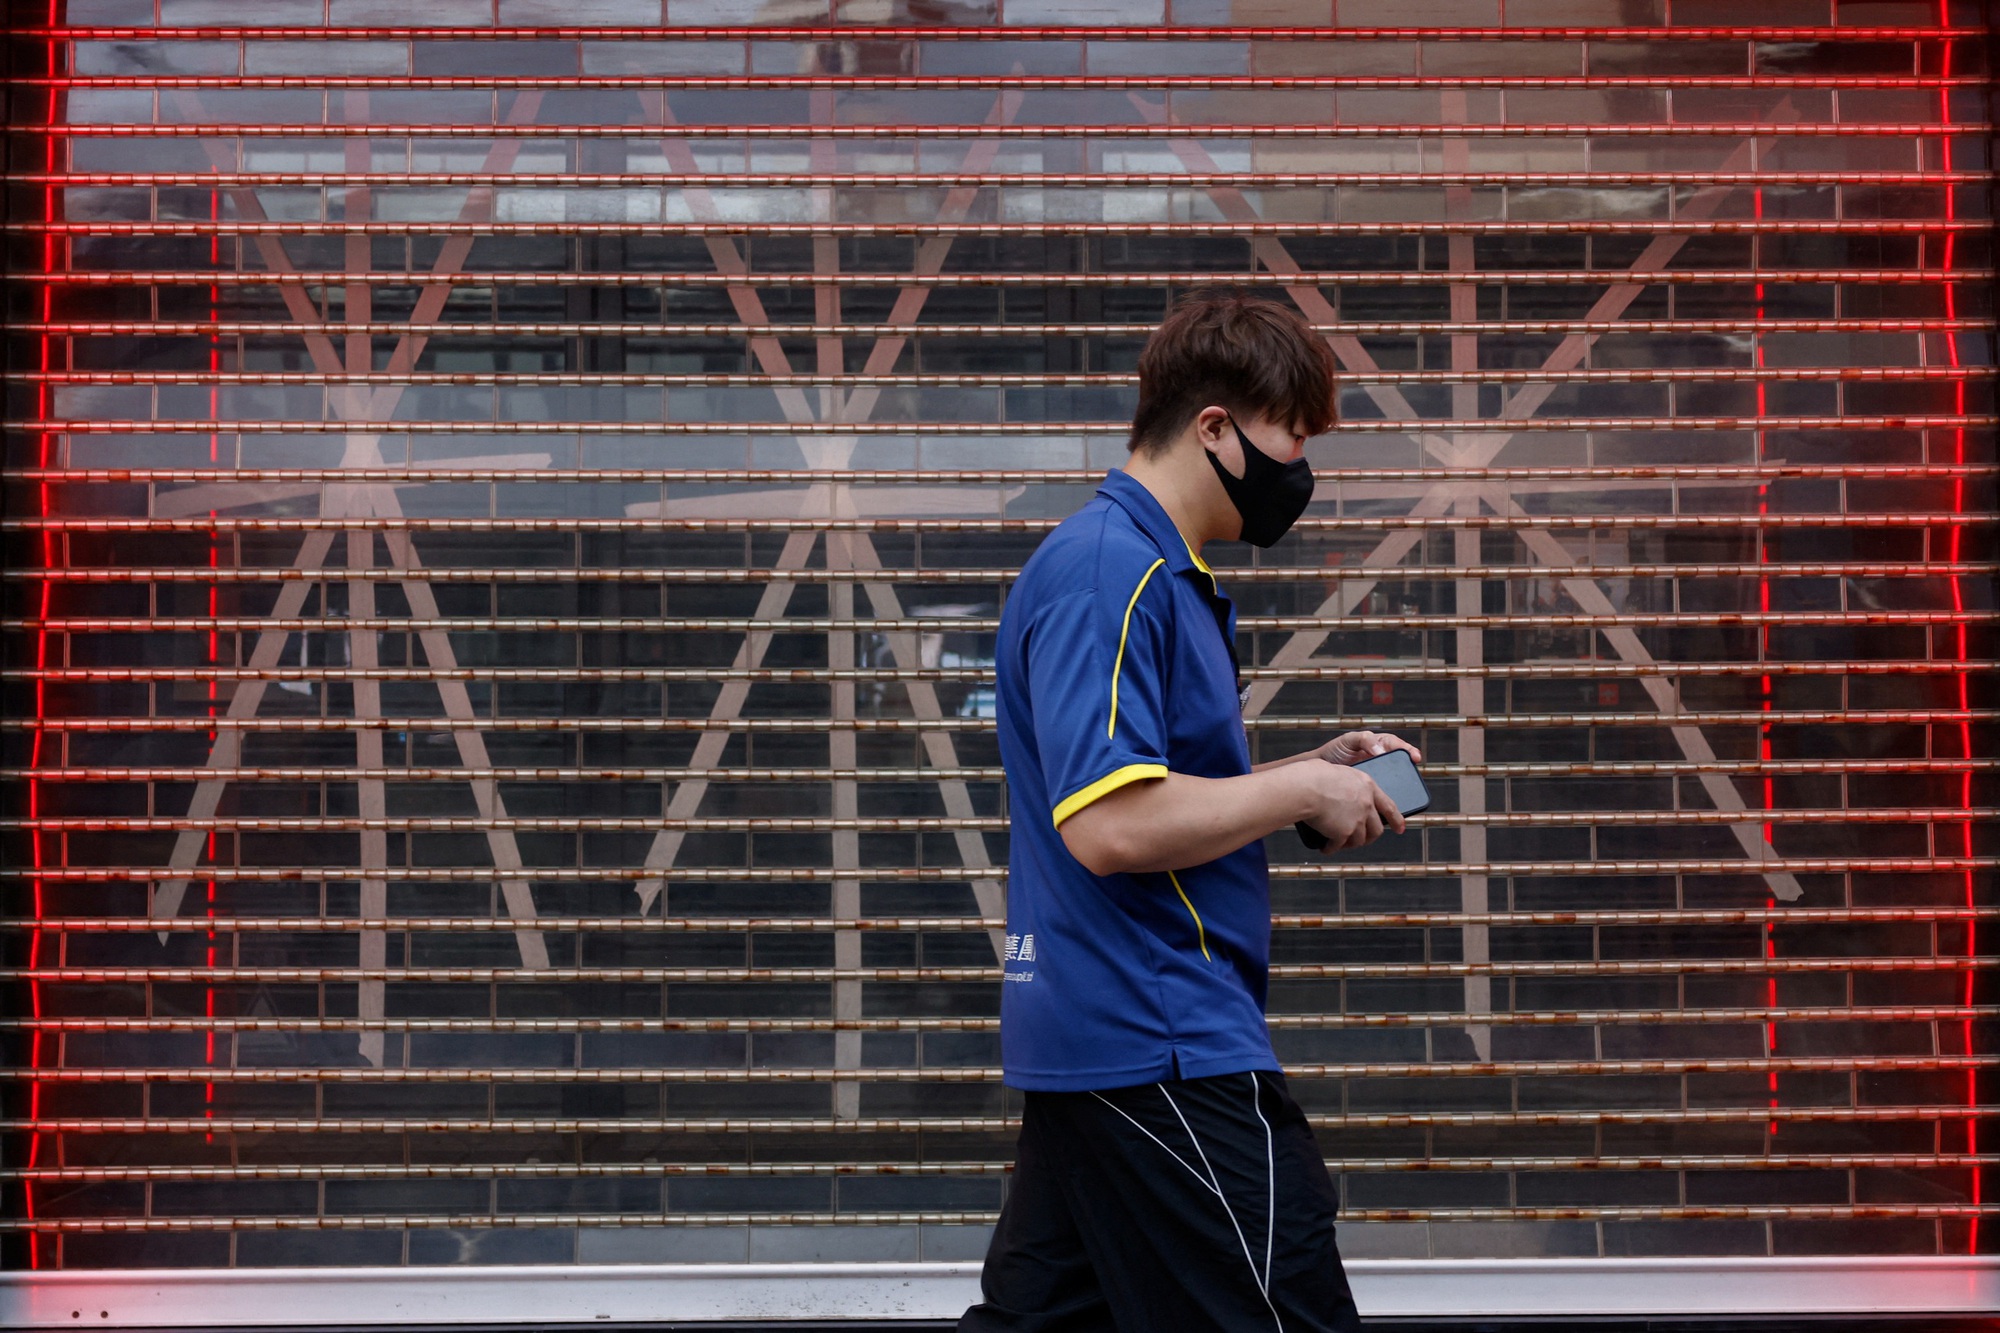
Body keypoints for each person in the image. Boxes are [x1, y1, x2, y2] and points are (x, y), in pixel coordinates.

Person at [958, 291, 1421, 1333]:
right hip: (1160, 1036)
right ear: (1212, 426)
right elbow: (1109, 825)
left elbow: (1153, 794)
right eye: (1289, 437)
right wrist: (1300, 789)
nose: (1301, 469)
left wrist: (1306, 769)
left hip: (1114, 1036)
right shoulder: (1106, 570)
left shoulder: (1159, 576)